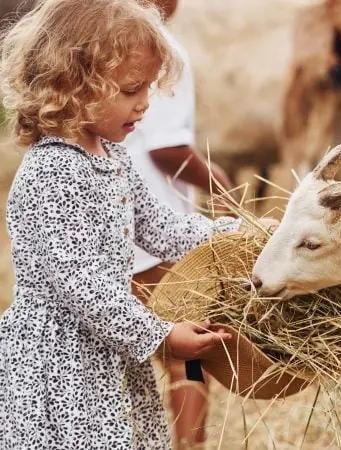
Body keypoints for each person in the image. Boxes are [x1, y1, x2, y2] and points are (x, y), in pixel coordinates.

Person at [0, 1, 244, 448]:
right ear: (71, 86)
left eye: (149, 88)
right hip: (63, 362)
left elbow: (162, 229)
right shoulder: (52, 172)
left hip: (105, 348)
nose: (146, 103)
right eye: (132, 89)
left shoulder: (113, 157)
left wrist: (236, 235)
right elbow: (82, 284)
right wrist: (160, 334)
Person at [124, 1, 234, 448]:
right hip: (155, 242)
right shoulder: (161, 49)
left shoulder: (97, 45)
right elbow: (167, 150)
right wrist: (222, 186)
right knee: (185, 358)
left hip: (121, 234)